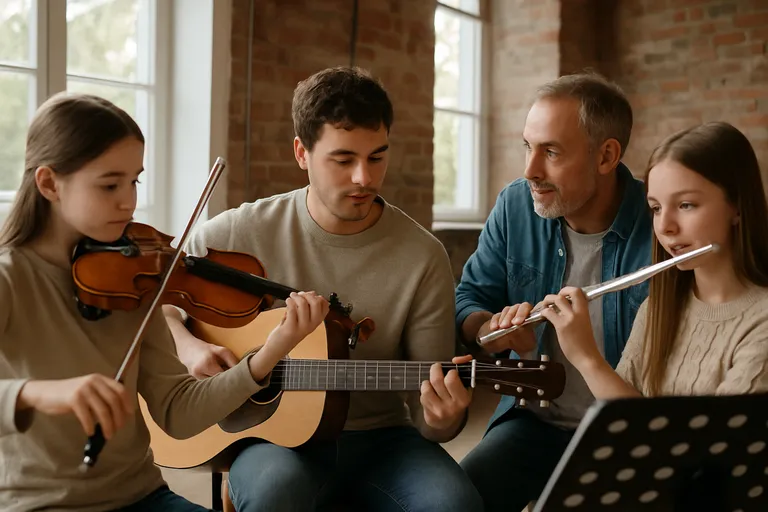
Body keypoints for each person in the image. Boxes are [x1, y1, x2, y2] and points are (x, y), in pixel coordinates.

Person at [165, 66, 483, 512]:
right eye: (343, 159)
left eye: (377, 157)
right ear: (302, 152)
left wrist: (445, 417)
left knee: (455, 505)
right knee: (278, 491)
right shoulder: (237, 233)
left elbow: (429, 413)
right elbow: (158, 305)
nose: (364, 179)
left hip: (381, 438)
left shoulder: (422, 256)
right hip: (270, 438)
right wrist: (189, 348)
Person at [0, 92, 329, 512]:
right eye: (109, 184)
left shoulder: (133, 277)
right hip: (40, 503)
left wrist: (271, 352)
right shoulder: (10, 276)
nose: (129, 201)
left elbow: (178, 411)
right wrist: (36, 395)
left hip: (141, 496)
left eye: (134, 181)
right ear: (49, 183)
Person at [455, 73, 653, 512]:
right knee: (457, 498)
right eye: (528, 146)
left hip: (620, 433)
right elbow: (468, 300)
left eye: (551, 152)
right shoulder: (514, 206)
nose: (530, 170)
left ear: (606, 156)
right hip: (532, 423)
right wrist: (493, 330)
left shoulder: (659, 227)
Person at [539, 121, 768, 400]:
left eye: (686, 205)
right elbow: (622, 415)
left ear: (737, 207)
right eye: (656, 208)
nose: (666, 227)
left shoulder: (761, 322)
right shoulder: (656, 308)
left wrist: (588, 358)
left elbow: (706, 442)